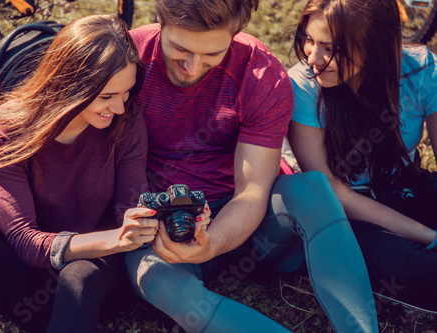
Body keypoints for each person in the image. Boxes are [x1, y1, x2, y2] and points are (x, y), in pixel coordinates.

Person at [125, 0, 380, 332]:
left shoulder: (261, 72)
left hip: (252, 226)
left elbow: (253, 193)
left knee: (312, 189)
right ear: (161, 20)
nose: (192, 66)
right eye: (180, 49)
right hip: (165, 229)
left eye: (211, 54)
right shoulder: (128, 59)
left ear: (236, 32)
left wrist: (212, 242)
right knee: (155, 281)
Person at [0, 14, 191, 333]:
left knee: (79, 277)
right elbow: (23, 240)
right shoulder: (1, 131)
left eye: (126, 93)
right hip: (35, 273)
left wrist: (144, 223)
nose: (118, 107)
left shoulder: (126, 122)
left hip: (99, 266)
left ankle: (69, 315)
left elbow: (126, 212)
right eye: (106, 96)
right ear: (69, 83)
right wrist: (113, 237)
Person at [287, 0, 437, 311]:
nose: (313, 58)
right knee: (418, 272)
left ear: (375, 44)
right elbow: (329, 186)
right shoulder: (303, 85)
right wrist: (426, 235)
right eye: (309, 40)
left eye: (330, 48)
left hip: (405, 186)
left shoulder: (421, 69)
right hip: (350, 210)